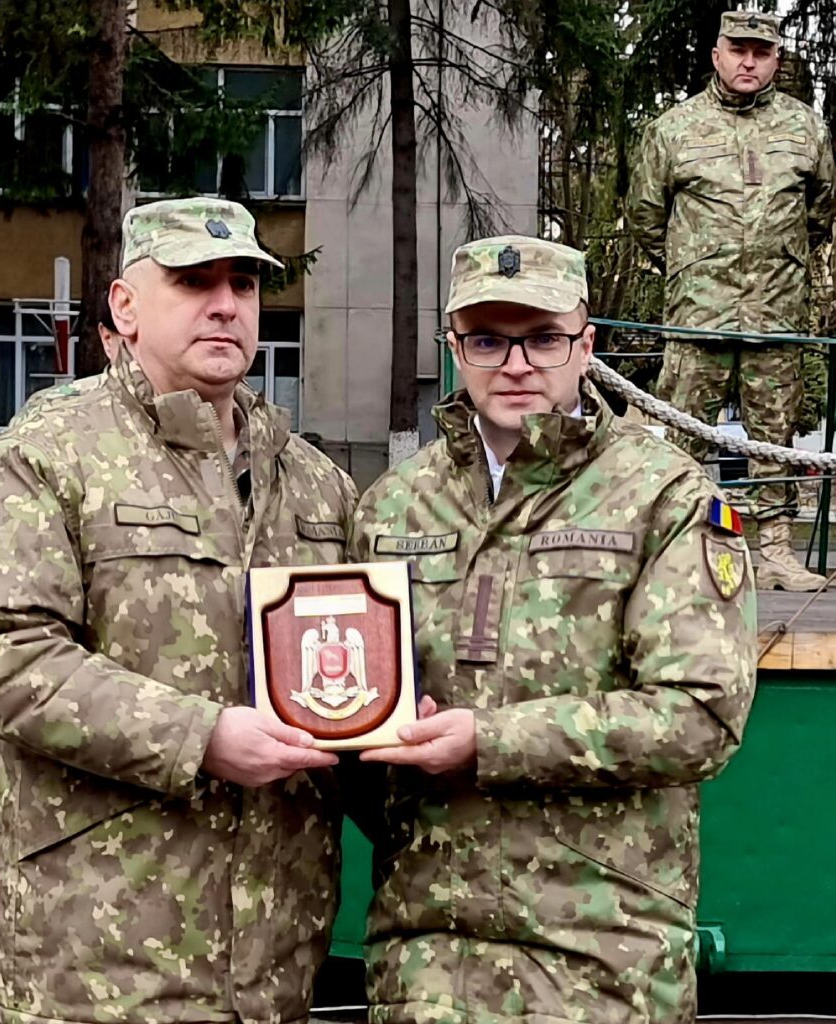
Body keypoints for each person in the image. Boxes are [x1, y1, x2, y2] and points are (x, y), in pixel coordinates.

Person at [0, 197, 357, 1024]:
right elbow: (1, 656)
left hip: (273, 965)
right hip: (96, 960)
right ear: (125, 307)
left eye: (243, 284)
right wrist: (200, 736)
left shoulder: (314, 483)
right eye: (193, 281)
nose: (225, 305)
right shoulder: (48, 456)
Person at [350, 236, 758, 1024]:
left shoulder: (665, 497)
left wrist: (489, 742)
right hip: (428, 956)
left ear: (586, 344)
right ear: (455, 348)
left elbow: (701, 716)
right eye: (487, 340)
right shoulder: (392, 506)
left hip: (603, 955)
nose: (516, 365)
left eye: (543, 338)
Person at [627, 10, 836, 591]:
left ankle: (775, 553)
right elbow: (645, 215)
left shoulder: (805, 129)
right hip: (699, 313)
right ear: (717, 54)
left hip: (776, 312)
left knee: (775, 436)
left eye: (761, 52)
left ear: (776, 60)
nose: (749, 62)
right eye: (738, 50)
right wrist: (693, 267)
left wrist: (778, 266)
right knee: (682, 431)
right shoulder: (674, 129)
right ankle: (674, 546)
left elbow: (820, 212)